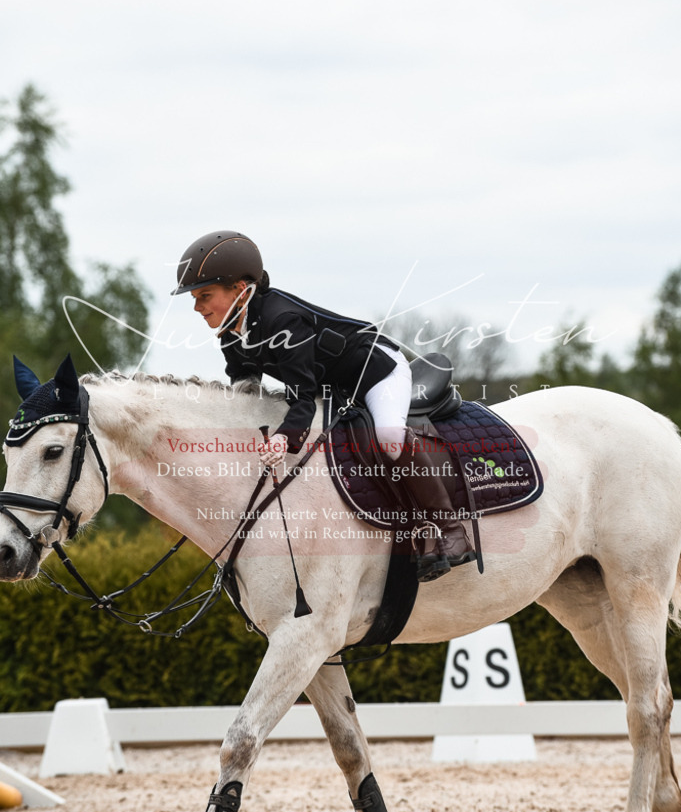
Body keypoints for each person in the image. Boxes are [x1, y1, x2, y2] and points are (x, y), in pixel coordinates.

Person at [172, 231, 475, 581]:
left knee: (389, 437)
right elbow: (245, 386)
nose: (197, 307)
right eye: (195, 298)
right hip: (337, 385)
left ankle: (452, 531)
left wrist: (284, 438)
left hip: (377, 370)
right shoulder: (230, 332)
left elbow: (303, 392)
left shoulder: (282, 320)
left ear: (240, 289)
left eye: (204, 296)